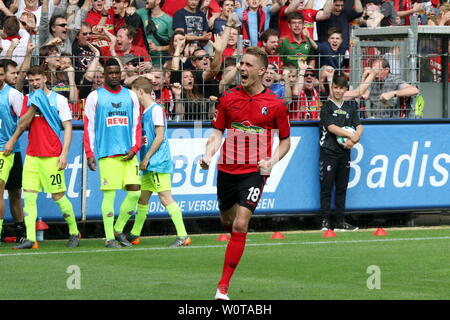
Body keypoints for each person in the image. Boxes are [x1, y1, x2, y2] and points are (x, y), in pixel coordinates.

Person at [199, 46, 291, 300]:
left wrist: (271, 162)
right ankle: (233, 248)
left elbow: (285, 140)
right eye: (241, 63)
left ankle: (222, 288)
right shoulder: (228, 98)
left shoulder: (275, 104)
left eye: (249, 65)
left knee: (240, 224)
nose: (242, 68)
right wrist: (208, 153)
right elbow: (217, 132)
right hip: (227, 168)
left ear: (262, 71)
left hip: (254, 172)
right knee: (227, 221)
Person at [4, 65, 81, 249]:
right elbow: (22, 124)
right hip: (32, 156)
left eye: (38, 79)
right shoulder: (28, 99)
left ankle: (73, 232)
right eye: (31, 81)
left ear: (45, 78)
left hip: (52, 156)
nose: (34, 83)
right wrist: (34, 105)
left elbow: (68, 127)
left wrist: (64, 154)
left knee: (58, 196)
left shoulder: (58, 100)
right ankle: (31, 238)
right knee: (29, 198)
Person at [125, 76, 191, 246]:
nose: (132, 97)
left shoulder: (155, 110)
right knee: (143, 198)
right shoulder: (145, 112)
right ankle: (134, 234)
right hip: (149, 163)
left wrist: (146, 157)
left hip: (157, 162)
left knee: (165, 198)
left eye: (133, 92)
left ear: (140, 92)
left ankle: (183, 235)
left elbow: (160, 136)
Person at [83, 58, 142, 248]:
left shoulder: (131, 95)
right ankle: (109, 238)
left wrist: (135, 148)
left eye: (117, 72)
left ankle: (118, 229)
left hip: (128, 153)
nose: (115, 76)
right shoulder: (95, 97)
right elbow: (89, 127)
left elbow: (136, 124)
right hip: (107, 154)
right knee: (109, 196)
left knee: (135, 194)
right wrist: (90, 152)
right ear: (104, 75)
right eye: (111, 72)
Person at [319, 70, 377, 232]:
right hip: (328, 152)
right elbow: (332, 128)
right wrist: (350, 135)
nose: (337, 91)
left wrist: (355, 137)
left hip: (345, 153)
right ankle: (324, 221)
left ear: (346, 90)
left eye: (341, 88)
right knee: (326, 187)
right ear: (331, 87)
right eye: (335, 87)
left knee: (342, 188)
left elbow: (359, 125)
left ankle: (339, 221)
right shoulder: (327, 108)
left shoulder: (350, 107)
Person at [0, 59, 25, 242]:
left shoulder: (13, 95)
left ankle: (20, 230)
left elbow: (23, 122)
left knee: (15, 192)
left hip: (11, 149)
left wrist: (12, 140)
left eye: (2, 74)